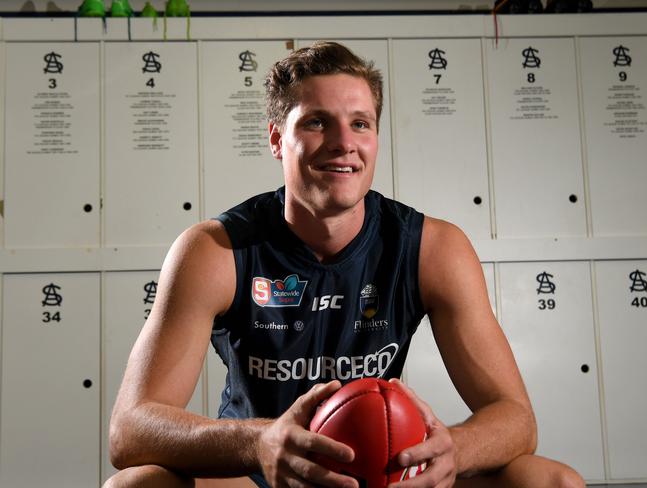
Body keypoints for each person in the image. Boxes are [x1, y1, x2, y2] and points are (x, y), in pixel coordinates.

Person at [105, 41, 585, 488]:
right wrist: (260, 441)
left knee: (552, 481)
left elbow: (517, 418)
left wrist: (451, 448)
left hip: (382, 470)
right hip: (260, 471)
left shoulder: (431, 248)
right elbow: (130, 429)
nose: (343, 142)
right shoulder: (216, 250)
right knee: (133, 485)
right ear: (276, 139)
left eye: (361, 123)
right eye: (317, 122)